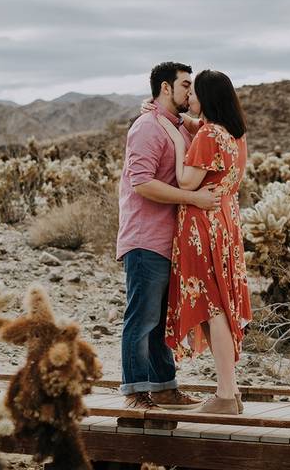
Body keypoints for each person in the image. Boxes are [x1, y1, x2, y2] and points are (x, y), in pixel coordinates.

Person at [116, 61, 219, 410]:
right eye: (186, 85)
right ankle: (134, 392)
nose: (191, 91)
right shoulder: (147, 128)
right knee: (142, 317)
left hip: (169, 241)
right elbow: (141, 183)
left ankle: (163, 386)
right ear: (165, 88)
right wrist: (193, 198)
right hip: (145, 238)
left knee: (161, 319)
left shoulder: (176, 127)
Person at [154, 69, 251, 415]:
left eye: (194, 93)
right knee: (221, 305)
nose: (189, 98)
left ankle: (225, 394)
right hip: (226, 222)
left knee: (213, 308)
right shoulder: (234, 135)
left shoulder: (209, 134)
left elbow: (185, 181)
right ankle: (231, 391)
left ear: (207, 98)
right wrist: (191, 129)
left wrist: (174, 135)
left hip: (203, 228)